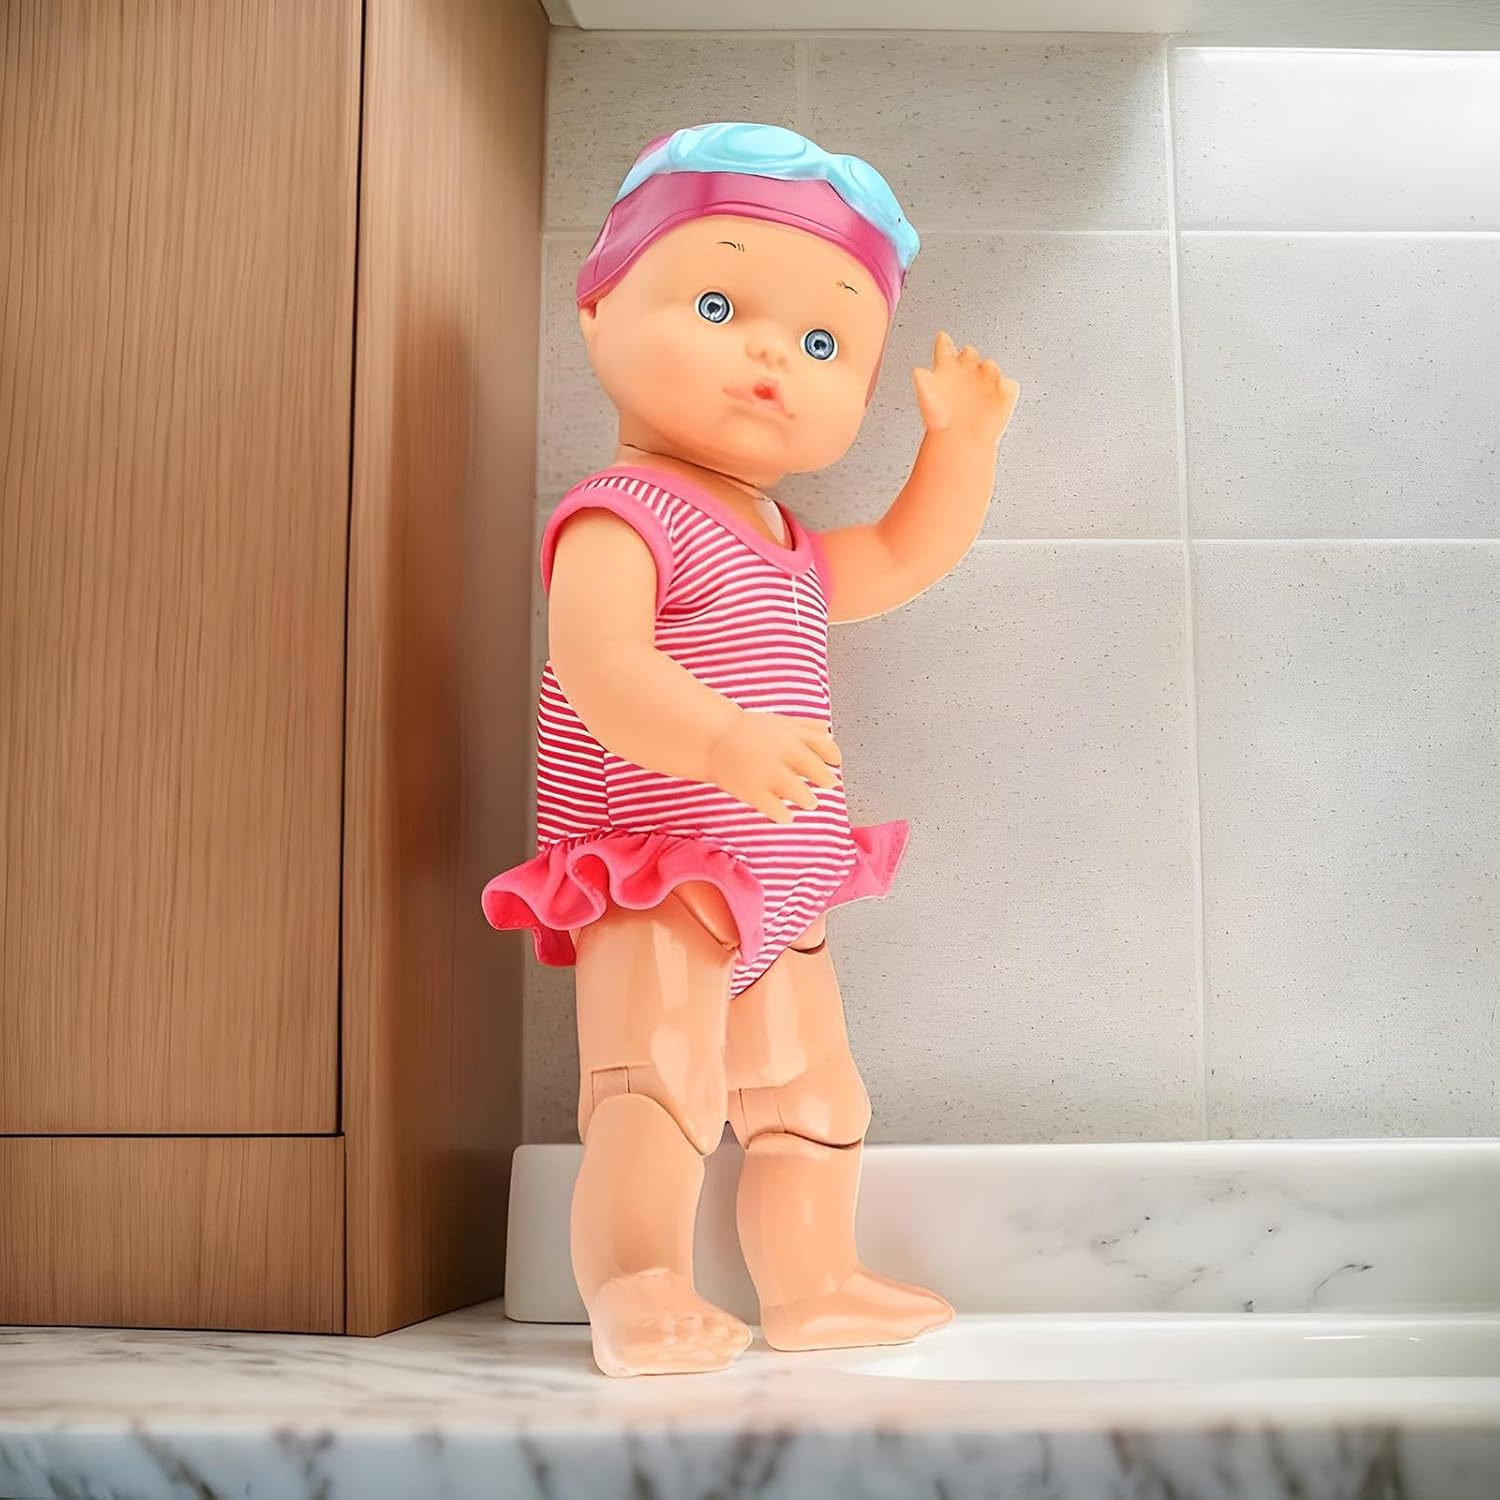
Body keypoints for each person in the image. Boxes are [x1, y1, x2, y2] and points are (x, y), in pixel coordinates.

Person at [484, 122, 1020, 1377]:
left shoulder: (785, 542)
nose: (774, 353)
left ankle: (812, 1280)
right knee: (657, 1086)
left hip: (780, 880)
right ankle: (639, 1286)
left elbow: (898, 558)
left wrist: (961, 448)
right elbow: (601, 670)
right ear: (597, 308)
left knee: (812, 1099)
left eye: (826, 344)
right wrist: (723, 738)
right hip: (660, 872)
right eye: (720, 305)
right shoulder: (620, 515)